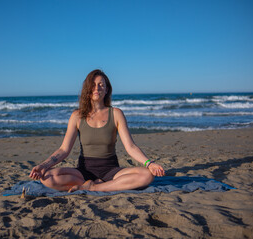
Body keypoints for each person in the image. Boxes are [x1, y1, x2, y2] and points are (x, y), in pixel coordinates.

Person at [29, 69, 165, 192]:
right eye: (93, 84)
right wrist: (43, 165)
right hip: (84, 171)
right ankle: (93, 184)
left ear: (106, 90)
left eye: (101, 84)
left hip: (111, 170)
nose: (97, 88)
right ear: (87, 89)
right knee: (46, 177)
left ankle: (94, 187)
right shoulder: (77, 116)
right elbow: (64, 149)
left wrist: (149, 164)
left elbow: (130, 147)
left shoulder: (116, 114)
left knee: (146, 175)